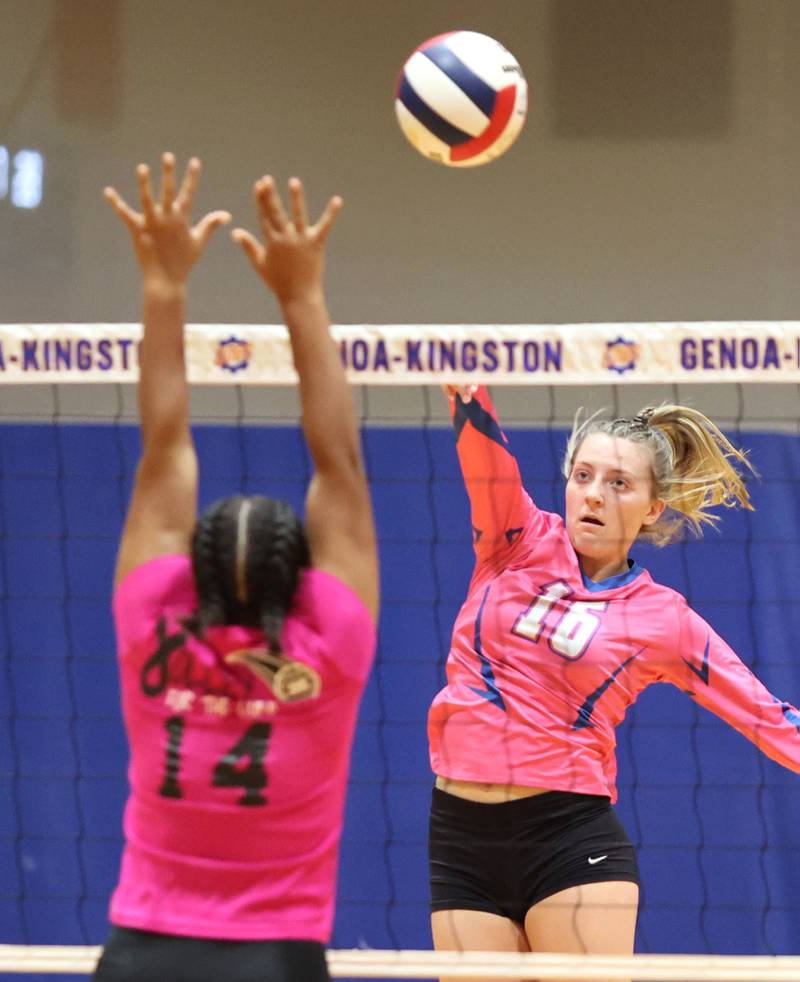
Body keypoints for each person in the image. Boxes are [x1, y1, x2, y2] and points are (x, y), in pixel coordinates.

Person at [94, 153, 378, 982]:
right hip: (273, 957)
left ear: (190, 570)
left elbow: (162, 453)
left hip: (140, 952)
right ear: (303, 584)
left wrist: (163, 286)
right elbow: (343, 470)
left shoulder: (151, 622)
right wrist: (302, 295)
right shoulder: (328, 653)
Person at [428, 384, 800, 981]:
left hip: (568, 838)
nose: (593, 496)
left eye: (618, 484)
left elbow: (767, 716)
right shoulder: (516, 538)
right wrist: (463, 384)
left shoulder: (662, 618)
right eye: (582, 476)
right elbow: (484, 456)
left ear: (653, 507)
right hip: (459, 832)